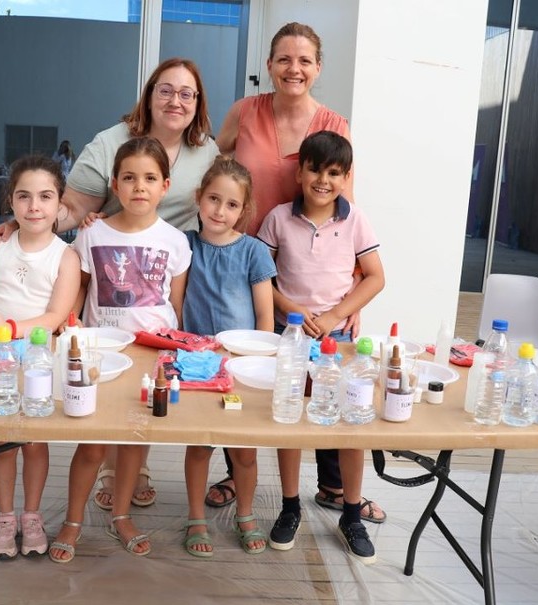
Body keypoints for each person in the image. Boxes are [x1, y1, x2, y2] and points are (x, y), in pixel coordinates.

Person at [0, 57, 219, 511]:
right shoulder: (111, 143)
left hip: (159, 286)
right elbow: (70, 208)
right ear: (149, 95)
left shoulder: (207, 151)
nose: (176, 100)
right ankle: (103, 474)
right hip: (107, 296)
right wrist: (26, 222)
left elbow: (177, 299)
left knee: (142, 401)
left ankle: (134, 468)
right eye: (165, 90)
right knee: (103, 403)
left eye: (187, 93)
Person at [206, 22, 382, 522]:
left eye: (305, 60)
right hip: (245, 263)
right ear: (269, 64)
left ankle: (334, 486)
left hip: (312, 279)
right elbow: (211, 163)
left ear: (318, 67)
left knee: (324, 379)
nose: (294, 68)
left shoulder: (333, 124)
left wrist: (348, 297)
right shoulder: (244, 112)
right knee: (247, 370)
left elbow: (347, 205)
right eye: (284, 58)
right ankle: (237, 471)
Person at [48, 136, 191, 563]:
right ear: (114, 184)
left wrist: (176, 351)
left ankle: (122, 515)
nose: (139, 186)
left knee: (133, 441)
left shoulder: (176, 241)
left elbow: (176, 305)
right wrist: (68, 327)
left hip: (151, 357)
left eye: (149, 178)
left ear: (165, 186)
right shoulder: (92, 234)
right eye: (129, 178)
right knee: (92, 444)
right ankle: (73, 520)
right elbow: (81, 290)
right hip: (102, 356)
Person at [257, 130, 385, 560]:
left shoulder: (355, 221)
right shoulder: (278, 218)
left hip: (339, 341)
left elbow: (375, 277)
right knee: (290, 420)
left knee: (350, 426)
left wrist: (334, 316)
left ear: (346, 178)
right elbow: (262, 277)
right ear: (299, 172)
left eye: (334, 173)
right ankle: (290, 506)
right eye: (315, 170)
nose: (323, 180)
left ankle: (350, 512)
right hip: (289, 337)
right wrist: (291, 308)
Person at [0, 155, 81, 560]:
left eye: (45, 197)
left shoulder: (66, 257)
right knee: (2, 441)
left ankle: (31, 515)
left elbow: (56, 316)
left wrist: (9, 327)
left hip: (37, 362)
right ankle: (4, 517)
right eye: (24, 196)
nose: (34, 206)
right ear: (10, 200)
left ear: (60, 204)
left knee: (33, 440)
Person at [181, 156, 275, 557]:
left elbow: (265, 316)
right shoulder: (185, 245)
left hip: (240, 367)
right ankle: (195, 518)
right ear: (199, 197)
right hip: (197, 366)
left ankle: (246, 514)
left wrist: (261, 363)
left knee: (244, 451)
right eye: (214, 199)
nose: (220, 210)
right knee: (199, 445)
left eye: (232, 204)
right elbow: (175, 304)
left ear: (244, 209)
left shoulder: (253, 251)